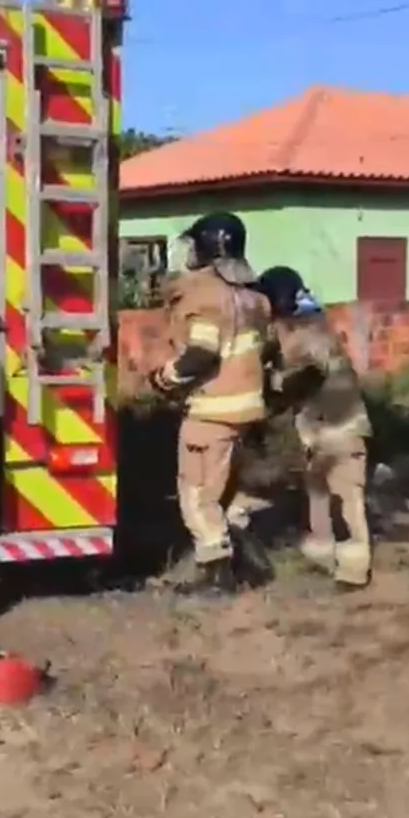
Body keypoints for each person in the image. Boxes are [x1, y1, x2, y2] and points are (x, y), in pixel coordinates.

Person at [148, 210, 272, 593]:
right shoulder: (254, 298)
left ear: (207, 247)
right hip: (246, 411)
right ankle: (250, 564)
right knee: (224, 490)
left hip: (211, 411)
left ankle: (216, 575)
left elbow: (202, 352)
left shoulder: (205, 295)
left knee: (197, 494)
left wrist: (165, 378)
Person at [256, 265, 372, 589]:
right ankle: (323, 558)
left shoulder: (309, 331)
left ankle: (354, 572)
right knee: (319, 496)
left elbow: (309, 370)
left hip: (342, 430)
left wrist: (274, 389)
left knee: (347, 499)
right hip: (318, 433)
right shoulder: (295, 327)